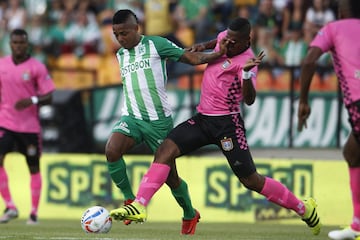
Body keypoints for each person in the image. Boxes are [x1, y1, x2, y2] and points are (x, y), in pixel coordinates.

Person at [109, 17, 321, 236]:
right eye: (225, 39)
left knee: (251, 180)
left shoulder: (246, 61)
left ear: (246, 41)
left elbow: (249, 99)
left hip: (227, 125)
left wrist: (247, 75)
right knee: (165, 151)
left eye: (232, 43)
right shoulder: (225, 39)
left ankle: (303, 208)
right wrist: (204, 45)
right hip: (202, 119)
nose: (227, 45)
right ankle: (139, 205)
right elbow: (217, 41)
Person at [105, 9, 229, 235]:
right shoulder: (120, 55)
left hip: (158, 123)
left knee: (171, 178)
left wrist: (216, 54)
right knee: (112, 150)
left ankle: (190, 213)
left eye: (124, 33)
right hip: (132, 117)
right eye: (116, 35)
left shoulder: (156, 44)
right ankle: (130, 199)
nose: (120, 39)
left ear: (136, 29)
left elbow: (188, 57)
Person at [297, 0, 360, 239]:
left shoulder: (334, 28)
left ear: (343, 9)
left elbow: (310, 60)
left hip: (358, 102)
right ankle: (357, 224)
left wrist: (303, 100)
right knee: (353, 153)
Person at [0, 28, 56, 224]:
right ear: (10, 44)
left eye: (22, 43)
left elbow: (49, 96)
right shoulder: (2, 65)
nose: (18, 46)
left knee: (33, 168)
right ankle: (10, 206)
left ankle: (33, 213)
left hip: (29, 127)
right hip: (5, 123)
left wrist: (32, 100)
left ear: (27, 44)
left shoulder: (37, 67)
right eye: (15, 43)